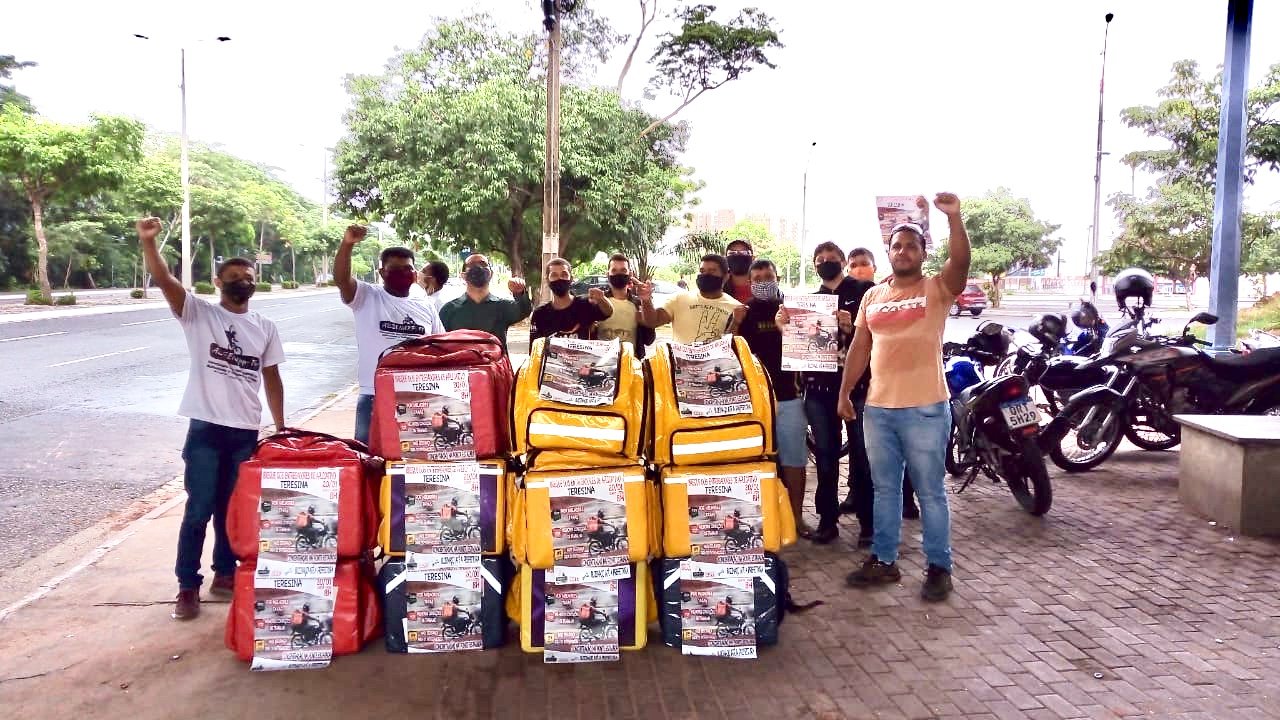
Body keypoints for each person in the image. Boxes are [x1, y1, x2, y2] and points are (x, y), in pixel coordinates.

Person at [138, 217, 285, 621]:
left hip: (244, 431)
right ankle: (187, 585)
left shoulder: (264, 326)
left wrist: (281, 424)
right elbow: (165, 279)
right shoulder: (199, 314)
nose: (243, 281)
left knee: (231, 509)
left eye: (248, 276)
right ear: (218, 283)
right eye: (234, 276)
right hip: (205, 429)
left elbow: (271, 376)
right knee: (199, 508)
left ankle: (224, 573)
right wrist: (149, 243)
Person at [838, 192, 970, 603]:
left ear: (922, 252)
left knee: (930, 491)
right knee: (884, 489)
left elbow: (961, 263)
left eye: (911, 245)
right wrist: (845, 393)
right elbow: (861, 347)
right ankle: (884, 560)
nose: (903, 250)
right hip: (878, 409)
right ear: (889, 252)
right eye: (897, 245)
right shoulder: (873, 296)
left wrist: (954, 219)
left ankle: (938, 566)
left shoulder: (938, 288)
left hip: (926, 408)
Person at [775, 242, 871, 545]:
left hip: (859, 386)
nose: (826, 263)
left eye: (831, 259)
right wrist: (785, 329)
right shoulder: (810, 302)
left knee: (863, 456)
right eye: (820, 260)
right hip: (819, 388)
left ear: (843, 261)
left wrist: (851, 327)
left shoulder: (864, 291)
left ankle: (869, 524)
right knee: (826, 457)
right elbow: (802, 348)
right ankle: (827, 522)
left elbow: (876, 337)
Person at [335, 225, 443, 445]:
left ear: (414, 274)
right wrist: (347, 245)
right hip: (374, 395)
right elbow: (342, 279)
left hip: (417, 397)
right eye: (395, 269)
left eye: (407, 269)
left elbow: (440, 346)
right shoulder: (366, 296)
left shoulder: (425, 306)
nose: (403, 274)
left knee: (412, 462)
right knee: (368, 459)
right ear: (382, 273)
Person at [839, 248, 918, 522]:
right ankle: (856, 494)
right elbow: (857, 345)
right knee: (860, 447)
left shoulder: (887, 295)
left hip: (892, 384)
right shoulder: (856, 297)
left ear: (874, 267)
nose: (859, 269)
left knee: (900, 446)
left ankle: (906, 499)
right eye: (854, 265)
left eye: (864, 264)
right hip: (860, 385)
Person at [735, 259, 808, 533]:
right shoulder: (745, 312)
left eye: (768, 275)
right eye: (757, 277)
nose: (764, 280)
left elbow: (808, 348)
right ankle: (759, 522)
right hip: (754, 401)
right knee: (755, 461)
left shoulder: (794, 309)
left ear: (777, 277)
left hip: (788, 396)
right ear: (750, 282)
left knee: (794, 460)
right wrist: (735, 323)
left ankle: (797, 518)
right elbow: (731, 352)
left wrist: (787, 327)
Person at [638, 254, 746, 344]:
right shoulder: (679, 299)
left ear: (726, 276)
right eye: (702, 271)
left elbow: (735, 345)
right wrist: (646, 300)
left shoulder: (736, 308)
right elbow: (652, 321)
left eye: (712, 271)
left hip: (716, 368)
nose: (705, 275)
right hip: (680, 367)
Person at [438, 254, 531, 353]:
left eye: (483, 264)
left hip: (494, 366)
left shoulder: (503, 306)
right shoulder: (449, 310)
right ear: (463, 275)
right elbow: (440, 344)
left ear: (491, 273)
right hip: (460, 366)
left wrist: (519, 293)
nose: (478, 268)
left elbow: (524, 310)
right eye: (472, 265)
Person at [529, 258, 612, 342]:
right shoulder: (540, 314)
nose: (559, 278)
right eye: (554, 275)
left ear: (571, 278)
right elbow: (535, 349)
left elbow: (608, 312)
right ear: (547, 280)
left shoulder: (586, 304)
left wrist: (602, 299)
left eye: (564, 274)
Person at [591, 253, 657, 358]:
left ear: (630, 274)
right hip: (600, 364)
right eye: (614, 271)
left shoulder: (639, 305)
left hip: (631, 366)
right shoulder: (598, 303)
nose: (618, 274)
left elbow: (649, 340)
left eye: (623, 270)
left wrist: (647, 301)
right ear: (607, 274)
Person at [723, 239, 755, 303]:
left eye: (744, 253)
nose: (738, 255)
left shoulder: (763, 286)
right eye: (732, 253)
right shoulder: (718, 287)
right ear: (725, 258)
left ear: (753, 258)